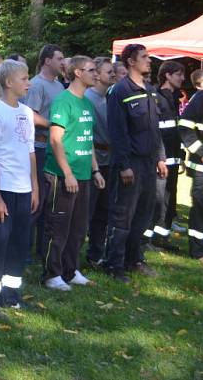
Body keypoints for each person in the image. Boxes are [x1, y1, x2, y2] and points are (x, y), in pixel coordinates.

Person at [0, 59, 39, 320]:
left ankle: (10, 295)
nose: (29, 83)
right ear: (9, 82)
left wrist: (34, 187)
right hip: (2, 192)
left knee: (18, 245)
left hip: (24, 191)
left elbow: (30, 151)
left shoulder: (25, 112)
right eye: (24, 78)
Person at [103, 44, 168, 282]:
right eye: (144, 57)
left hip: (150, 162)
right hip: (131, 163)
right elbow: (117, 132)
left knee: (143, 214)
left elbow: (154, 129)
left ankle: (134, 259)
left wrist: (160, 157)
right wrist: (124, 165)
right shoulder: (120, 91)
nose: (149, 61)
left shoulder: (149, 90)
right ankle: (114, 265)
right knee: (123, 216)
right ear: (131, 61)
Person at [41, 56, 104, 291]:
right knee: (58, 226)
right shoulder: (63, 102)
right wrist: (67, 173)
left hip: (84, 174)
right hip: (63, 175)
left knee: (78, 227)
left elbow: (88, 141)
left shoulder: (86, 103)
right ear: (77, 72)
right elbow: (56, 140)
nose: (96, 74)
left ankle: (70, 269)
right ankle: (51, 274)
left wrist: (95, 169)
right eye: (91, 70)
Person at [24, 45, 66, 254]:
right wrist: (54, 125)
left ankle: (43, 249)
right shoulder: (36, 85)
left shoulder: (59, 86)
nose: (63, 62)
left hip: (53, 149)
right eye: (59, 58)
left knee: (52, 200)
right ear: (47, 61)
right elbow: (30, 115)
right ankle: (25, 250)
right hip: (38, 149)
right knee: (37, 199)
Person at [149, 61, 185, 245]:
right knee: (157, 200)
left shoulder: (174, 97)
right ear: (167, 75)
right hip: (161, 159)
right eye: (179, 74)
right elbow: (155, 132)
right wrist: (159, 158)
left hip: (174, 157)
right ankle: (149, 239)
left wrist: (181, 157)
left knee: (170, 199)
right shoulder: (157, 97)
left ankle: (163, 236)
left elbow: (176, 130)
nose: (183, 78)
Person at [85, 57, 115, 265]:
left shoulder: (110, 98)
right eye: (109, 72)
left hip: (109, 162)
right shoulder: (88, 99)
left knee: (103, 211)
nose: (113, 75)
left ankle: (96, 254)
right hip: (92, 163)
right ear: (97, 75)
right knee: (87, 211)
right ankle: (72, 260)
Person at [178, 81, 203, 261]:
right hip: (202, 168)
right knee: (201, 208)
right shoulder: (201, 98)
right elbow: (185, 127)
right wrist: (201, 153)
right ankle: (198, 251)